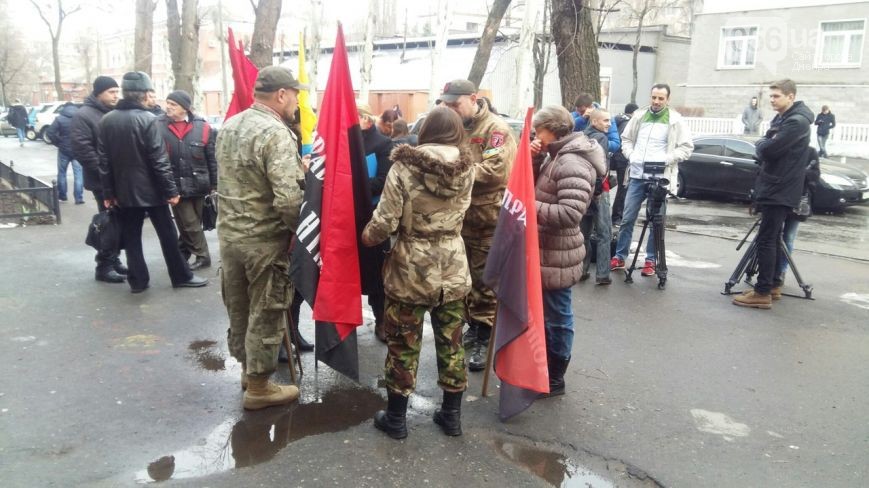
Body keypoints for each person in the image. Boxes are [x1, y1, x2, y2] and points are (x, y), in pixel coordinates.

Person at [362, 106, 475, 439]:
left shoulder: (404, 167)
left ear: (425, 132)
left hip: (411, 268)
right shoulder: (469, 169)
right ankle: (451, 416)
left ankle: (396, 420)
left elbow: (385, 222)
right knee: (452, 342)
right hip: (453, 266)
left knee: (402, 343)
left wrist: (366, 237)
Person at [215, 66, 307, 409]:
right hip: (265, 241)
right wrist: (303, 231)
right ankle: (259, 387)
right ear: (281, 94)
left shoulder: (230, 126)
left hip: (231, 237)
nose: (297, 102)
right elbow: (287, 199)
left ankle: (247, 371)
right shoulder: (275, 133)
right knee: (266, 311)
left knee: (238, 309)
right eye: (295, 94)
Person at [98, 71, 208, 294]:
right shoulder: (148, 120)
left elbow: (104, 161)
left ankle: (138, 281)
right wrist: (171, 191)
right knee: (167, 235)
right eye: (150, 93)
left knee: (131, 238)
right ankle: (180, 275)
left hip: (124, 192)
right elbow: (159, 160)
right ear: (144, 94)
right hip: (153, 191)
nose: (152, 98)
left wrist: (108, 194)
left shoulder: (107, 120)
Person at [440, 78, 517, 372]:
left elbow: (496, 170)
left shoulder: (495, 130)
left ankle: (485, 338)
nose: (450, 109)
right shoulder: (457, 126)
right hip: (460, 219)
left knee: (486, 282)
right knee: (465, 281)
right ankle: (474, 327)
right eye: (445, 104)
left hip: (487, 220)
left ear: (473, 98)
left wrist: (455, 172)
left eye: (454, 104)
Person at [529, 105, 605, 397]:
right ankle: (545, 369)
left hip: (558, 253)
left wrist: (527, 205)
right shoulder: (555, 155)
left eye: (539, 131)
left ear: (552, 130)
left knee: (558, 316)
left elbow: (570, 213)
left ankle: (556, 378)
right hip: (548, 251)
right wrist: (535, 158)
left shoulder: (572, 162)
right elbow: (541, 187)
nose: (536, 136)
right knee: (548, 315)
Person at [733, 79, 813, 309]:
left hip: (779, 188)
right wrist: (765, 144)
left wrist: (764, 144)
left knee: (767, 240)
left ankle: (763, 292)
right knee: (773, 239)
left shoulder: (795, 122)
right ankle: (773, 284)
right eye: (771, 96)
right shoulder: (785, 119)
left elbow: (769, 149)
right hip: (778, 186)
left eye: (777, 96)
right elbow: (767, 145)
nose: (772, 99)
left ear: (791, 96)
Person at [611, 83, 694, 277]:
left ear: (668, 99)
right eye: (654, 97)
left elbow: (686, 148)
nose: (656, 102)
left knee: (657, 220)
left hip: (660, 178)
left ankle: (651, 260)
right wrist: (631, 155)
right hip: (637, 175)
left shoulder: (676, 120)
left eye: (661, 98)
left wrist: (667, 159)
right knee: (628, 217)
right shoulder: (639, 116)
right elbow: (626, 139)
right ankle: (620, 256)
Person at [71, 75, 127, 283]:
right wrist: (106, 174)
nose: (116, 95)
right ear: (99, 93)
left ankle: (114, 259)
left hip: (118, 179)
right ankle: (103, 265)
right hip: (102, 181)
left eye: (116, 91)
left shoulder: (111, 112)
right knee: (108, 222)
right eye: (111, 92)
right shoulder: (84, 116)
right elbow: (83, 150)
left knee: (119, 222)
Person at [157, 90, 217, 271]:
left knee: (191, 224)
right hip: (174, 185)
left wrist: (215, 185)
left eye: (173, 104)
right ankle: (203, 256)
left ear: (185, 108)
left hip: (200, 184)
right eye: (167, 103)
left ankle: (181, 253)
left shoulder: (203, 127)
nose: (168, 107)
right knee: (189, 223)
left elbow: (211, 159)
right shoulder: (158, 125)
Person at [358, 101, 394, 342]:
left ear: (365, 119)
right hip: (345, 216)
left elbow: (383, 180)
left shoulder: (381, 143)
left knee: (376, 274)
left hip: (372, 215)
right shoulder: (341, 141)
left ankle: (381, 320)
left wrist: (349, 184)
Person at [775, 147, 820, 300]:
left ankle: (780, 271)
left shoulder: (810, 152)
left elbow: (815, 176)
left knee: (788, 237)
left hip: (797, 202)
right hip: (777, 198)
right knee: (771, 235)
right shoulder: (782, 147)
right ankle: (769, 271)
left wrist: (801, 173)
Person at [582, 109, 614, 285]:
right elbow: (602, 166)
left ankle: (581, 270)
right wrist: (599, 188)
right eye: (605, 120)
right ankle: (602, 274)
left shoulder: (581, 137)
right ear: (594, 122)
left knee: (584, 233)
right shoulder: (601, 138)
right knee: (604, 233)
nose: (609, 123)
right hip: (599, 190)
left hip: (584, 188)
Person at [47, 102, 85, 204]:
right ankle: (79, 198)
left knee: (62, 173)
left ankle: (62, 196)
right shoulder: (80, 118)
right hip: (78, 150)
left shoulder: (59, 118)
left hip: (64, 150)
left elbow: (50, 133)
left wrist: (58, 143)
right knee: (78, 174)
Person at [610, 103, 638, 225]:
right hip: (623, 160)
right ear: (634, 112)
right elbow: (625, 142)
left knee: (623, 188)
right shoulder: (628, 123)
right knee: (623, 188)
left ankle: (617, 216)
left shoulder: (620, 120)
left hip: (618, 158)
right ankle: (617, 216)